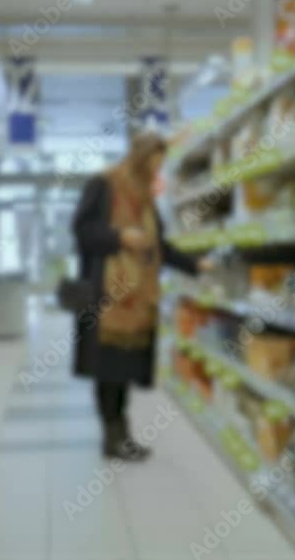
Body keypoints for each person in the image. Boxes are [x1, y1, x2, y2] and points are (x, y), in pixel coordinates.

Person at [71, 133, 210, 461]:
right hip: (106, 300)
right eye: (154, 164)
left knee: (122, 371)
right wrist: (119, 237)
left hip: (137, 300)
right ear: (139, 158)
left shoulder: (146, 198)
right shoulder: (102, 185)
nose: (157, 172)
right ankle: (114, 437)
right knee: (108, 371)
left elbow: (158, 245)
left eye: (160, 166)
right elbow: (81, 231)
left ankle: (120, 435)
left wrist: (195, 264)